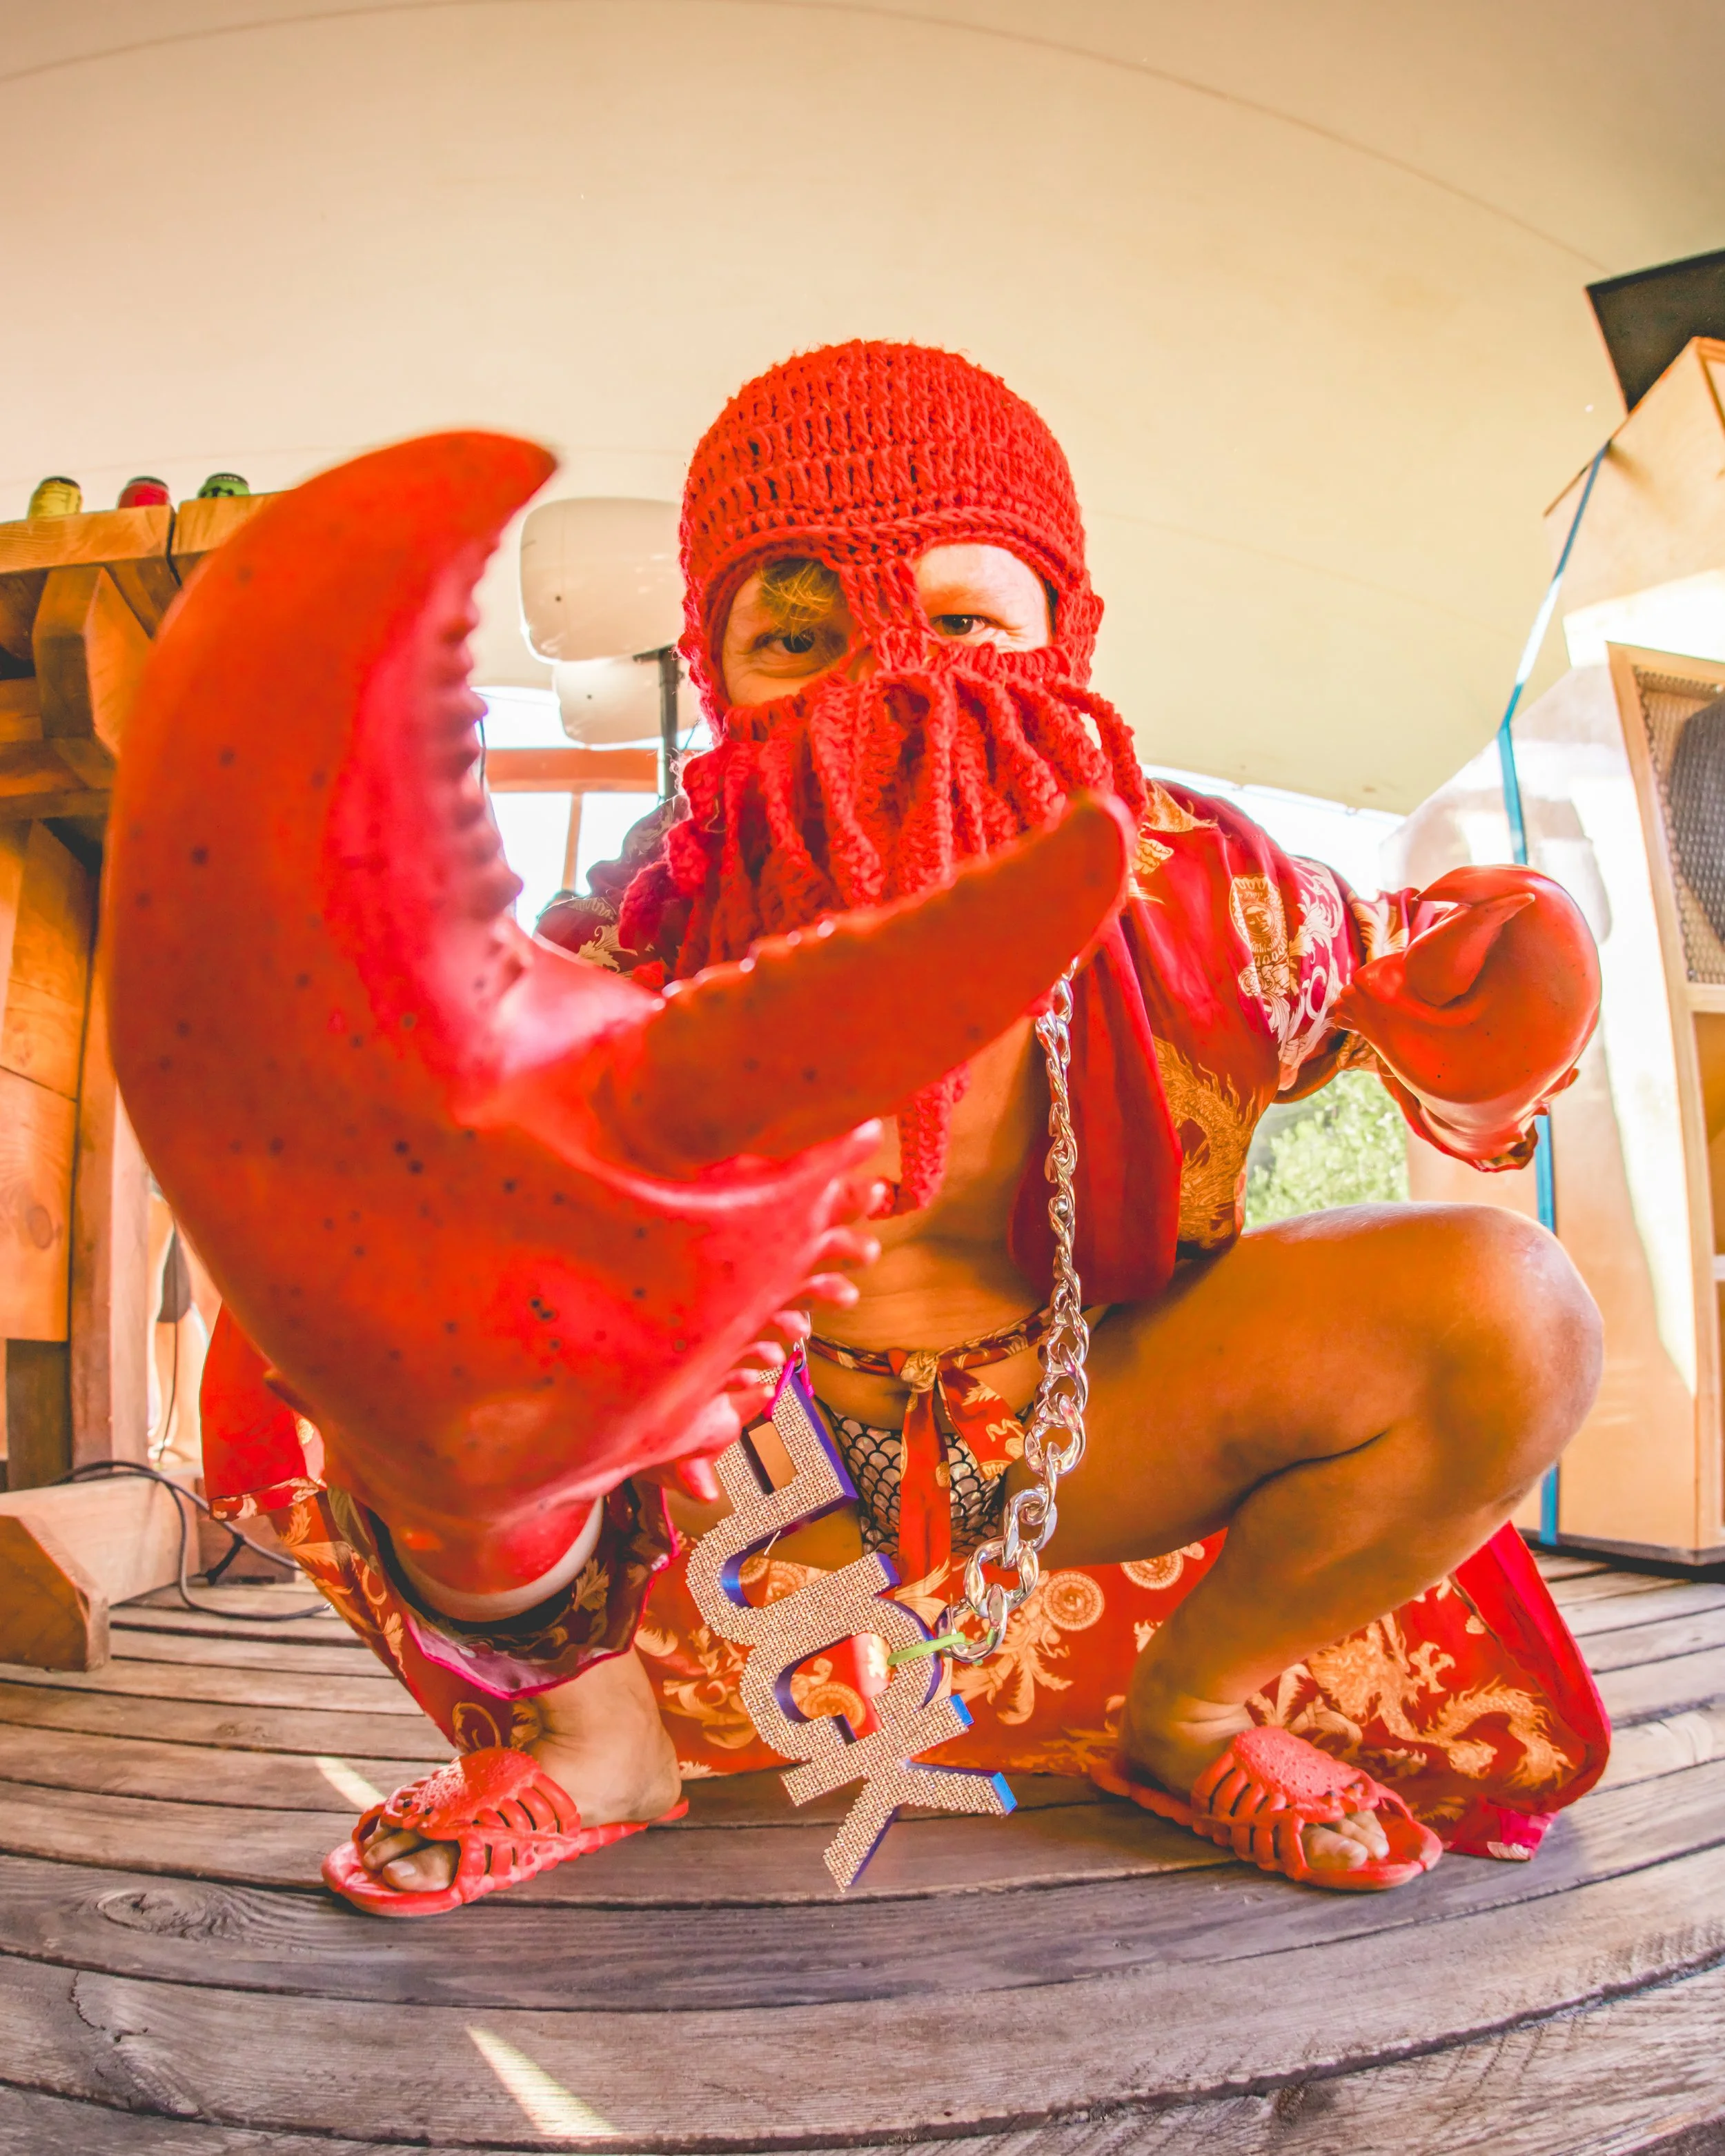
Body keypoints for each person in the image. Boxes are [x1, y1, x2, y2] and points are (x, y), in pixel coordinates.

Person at [209, 340, 1606, 1910]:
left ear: (1065, 640)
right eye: (800, 630)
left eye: (960, 621)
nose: (888, 675)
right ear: (714, 665)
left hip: (1102, 1431)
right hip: (736, 1485)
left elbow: (1435, 1000)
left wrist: (1499, 992)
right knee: (357, 1288)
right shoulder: (636, 934)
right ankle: (596, 1743)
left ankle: (1189, 1714)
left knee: (1512, 1310)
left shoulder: (1224, 892)